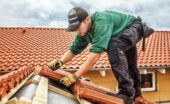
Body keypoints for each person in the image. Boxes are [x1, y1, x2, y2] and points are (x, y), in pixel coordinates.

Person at [48, 7, 154, 104]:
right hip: (121, 34)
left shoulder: (101, 22)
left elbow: (95, 56)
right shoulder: (83, 33)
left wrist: (75, 76)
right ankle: (137, 96)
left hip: (134, 27)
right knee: (129, 63)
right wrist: (60, 61)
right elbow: (73, 50)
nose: (77, 31)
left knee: (114, 46)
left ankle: (126, 93)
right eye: (74, 28)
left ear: (87, 20)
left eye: (77, 27)